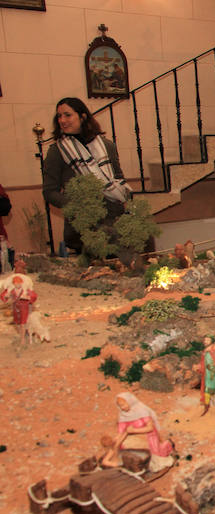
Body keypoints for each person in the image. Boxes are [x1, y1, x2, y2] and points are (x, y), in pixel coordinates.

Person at [42, 97, 131, 254]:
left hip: (114, 223)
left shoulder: (107, 146)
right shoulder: (57, 151)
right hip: (82, 230)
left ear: (82, 116)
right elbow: (49, 192)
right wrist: (77, 206)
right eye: (59, 116)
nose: (62, 120)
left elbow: (119, 179)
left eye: (67, 115)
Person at [114, 392, 174, 467]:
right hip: (133, 437)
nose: (122, 408)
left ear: (130, 401)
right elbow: (121, 432)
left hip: (148, 435)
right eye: (120, 406)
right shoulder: (122, 415)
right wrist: (116, 439)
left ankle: (166, 445)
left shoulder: (142, 411)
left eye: (123, 404)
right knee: (125, 450)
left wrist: (134, 431)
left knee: (154, 457)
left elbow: (150, 428)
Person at [1, 273, 37, 345]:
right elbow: (3, 296)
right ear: (14, 284)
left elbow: (34, 296)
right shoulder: (12, 290)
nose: (17, 285)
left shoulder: (25, 291)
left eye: (19, 283)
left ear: (21, 283)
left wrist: (27, 297)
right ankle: (23, 334)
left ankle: (23, 339)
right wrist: (6, 296)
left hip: (24, 307)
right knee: (17, 323)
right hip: (16, 308)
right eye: (16, 283)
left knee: (23, 323)